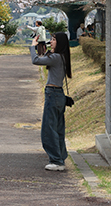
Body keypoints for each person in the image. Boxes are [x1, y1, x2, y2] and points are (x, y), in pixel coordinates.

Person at [30, 32, 72, 171]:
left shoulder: (55, 57)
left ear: (59, 42)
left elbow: (36, 60)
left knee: (49, 130)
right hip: (58, 95)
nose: (51, 42)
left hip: (52, 95)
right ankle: (60, 157)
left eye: (53, 40)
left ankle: (56, 160)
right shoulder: (62, 56)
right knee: (58, 129)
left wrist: (32, 46)